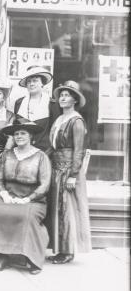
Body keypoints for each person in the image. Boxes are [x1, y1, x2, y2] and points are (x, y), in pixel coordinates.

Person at [0, 119, 52, 275]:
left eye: (23, 133)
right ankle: (3, 255)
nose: (19, 136)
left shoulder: (41, 156)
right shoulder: (7, 154)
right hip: (8, 194)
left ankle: (31, 256)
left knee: (24, 216)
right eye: (16, 134)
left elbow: (45, 185)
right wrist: (4, 194)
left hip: (33, 198)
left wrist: (27, 199)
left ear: (31, 136)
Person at [48, 81, 91, 264]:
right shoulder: (59, 119)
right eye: (61, 95)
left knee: (68, 210)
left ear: (74, 99)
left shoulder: (76, 120)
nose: (63, 98)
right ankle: (59, 248)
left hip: (68, 169)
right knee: (58, 209)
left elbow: (79, 150)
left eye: (67, 95)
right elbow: (53, 146)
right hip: (56, 167)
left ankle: (69, 251)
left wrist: (73, 174)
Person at [13, 66, 60, 152]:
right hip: (22, 150)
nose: (31, 84)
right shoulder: (19, 103)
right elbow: (16, 129)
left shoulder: (52, 104)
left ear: (42, 83)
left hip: (44, 151)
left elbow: (55, 131)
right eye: (29, 81)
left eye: (35, 81)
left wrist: (49, 151)